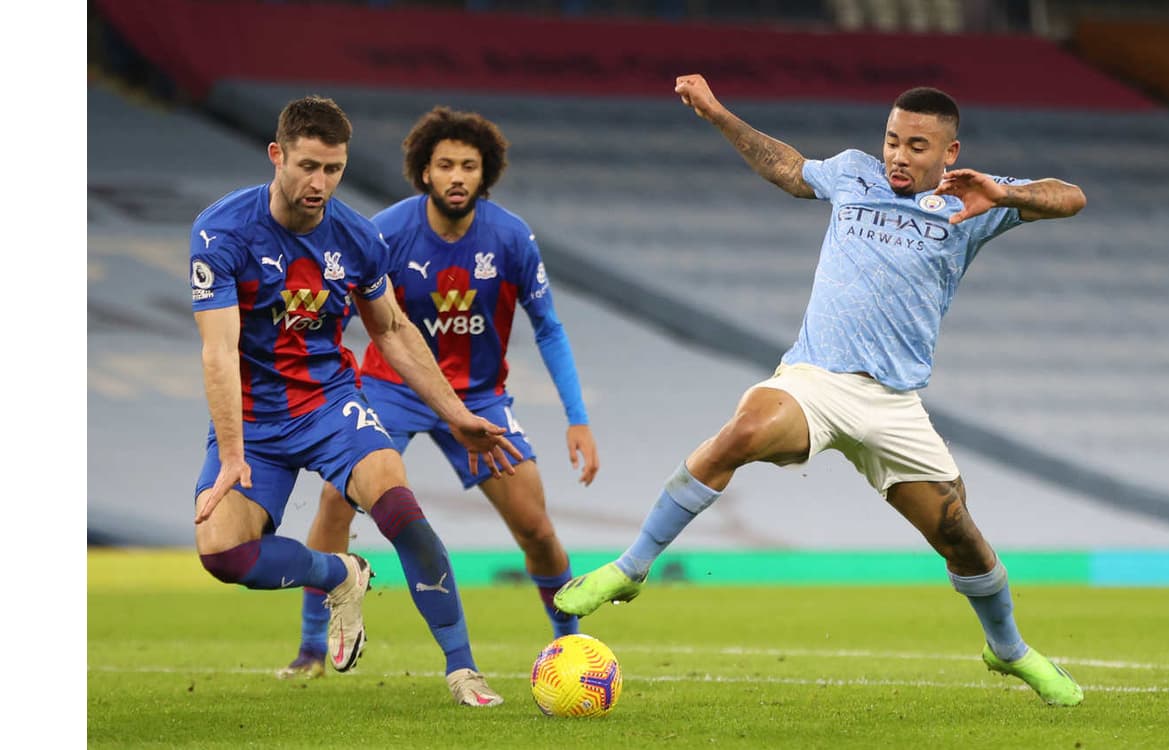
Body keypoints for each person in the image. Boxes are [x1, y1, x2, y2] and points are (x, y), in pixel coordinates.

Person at [555, 74, 1089, 707]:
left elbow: (1072, 196)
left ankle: (1008, 650)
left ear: (949, 152)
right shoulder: (853, 173)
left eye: (917, 145)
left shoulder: (971, 201)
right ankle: (631, 568)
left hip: (893, 403)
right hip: (816, 379)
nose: (898, 154)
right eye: (893, 139)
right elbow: (786, 167)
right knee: (745, 431)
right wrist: (719, 113)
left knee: (961, 536)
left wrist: (1003, 191)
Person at [190, 95, 524, 708]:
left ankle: (462, 669)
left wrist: (456, 415)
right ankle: (340, 573)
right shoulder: (221, 233)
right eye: (308, 166)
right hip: (255, 420)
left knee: (399, 507)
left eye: (334, 169)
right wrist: (233, 452)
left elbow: (393, 330)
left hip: (330, 405)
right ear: (277, 156)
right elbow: (218, 352)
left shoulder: (360, 240)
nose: (320, 183)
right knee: (225, 556)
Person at [276, 107, 599, 691]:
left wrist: (577, 419)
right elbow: (335, 308)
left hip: (477, 398)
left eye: (469, 166)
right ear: (424, 171)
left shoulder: (510, 237)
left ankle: (571, 642)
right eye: (445, 164)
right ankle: (310, 646)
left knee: (535, 526)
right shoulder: (389, 233)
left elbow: (548, 326)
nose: (457, 175)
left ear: (485, 174)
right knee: (333, 499)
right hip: (389, 388)